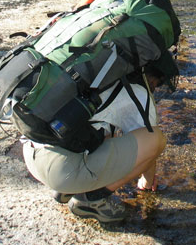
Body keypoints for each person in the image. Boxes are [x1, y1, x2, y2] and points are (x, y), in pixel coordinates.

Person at [22, 67, 167, 223]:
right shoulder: (138, 91)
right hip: (61, 171)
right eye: (156, 84)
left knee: (101, 129)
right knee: (156, 139)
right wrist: (148, 179)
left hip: (33, 155)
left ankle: (66, 190)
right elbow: (149, 142)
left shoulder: (92, 70)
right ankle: (91, 199)